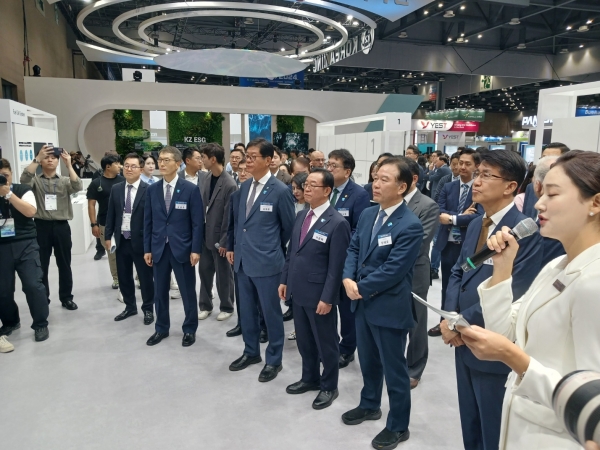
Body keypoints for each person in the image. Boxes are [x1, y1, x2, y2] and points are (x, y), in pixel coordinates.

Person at [455, 150, 600, 450]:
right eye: (541, 191)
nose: (539, 203)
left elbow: (592, 399)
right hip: (524, 425)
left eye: (553, 194)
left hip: (559, 436)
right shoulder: (556, 266)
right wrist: (502, 269)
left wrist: (514, 358)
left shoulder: (593, 282)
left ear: (595, 203)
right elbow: (505, 331)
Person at [441, 150, 543, 450]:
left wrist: (459, 324)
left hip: (491, 342)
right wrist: (449, 315)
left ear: (510, 186)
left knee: (492, 427)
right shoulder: (476, 223)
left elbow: (516, 291)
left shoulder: (524, 231)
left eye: (486, 175)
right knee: (469, 420)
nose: (476, 181)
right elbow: (459, 271)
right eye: (478, 174)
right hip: (462, 338)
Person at [341, 157, 424, 449]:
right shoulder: (368, 214)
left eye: (384, 179)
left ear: (402, 187)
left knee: (394, 369)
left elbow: (394, 270)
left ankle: (399, 425)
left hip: (388, 306)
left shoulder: (410, 225)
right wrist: (347, 278)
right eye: (375, 178)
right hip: (362, 302)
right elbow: (353, 249)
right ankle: (369, 404)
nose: (375, 184)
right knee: (368, 360)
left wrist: (359, 287)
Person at [279, 168, 351, 409]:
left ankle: (329, 386)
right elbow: (292, 252)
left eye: (312, 185)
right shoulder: (302, 215)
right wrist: (285, 280)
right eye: (305, 184)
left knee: (326, 343)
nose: (306, 189)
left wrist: (328, 298)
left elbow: (336, 267)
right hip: (298, 290)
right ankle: (309, 377)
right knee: (304, 340)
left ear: (327, 190)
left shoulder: (337, 223)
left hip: (320, 295)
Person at [226, 138, 295, 383]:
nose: (248, 161)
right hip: (242, 262)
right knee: (246, 311)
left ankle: (274, 360)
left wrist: (270, 248)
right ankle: (251, 351)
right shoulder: (243, 187)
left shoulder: (281, 191)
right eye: (247, 156)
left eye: (253, 157)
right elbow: (238, 224)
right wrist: (233, 247)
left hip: (267, 263)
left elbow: (288, 228)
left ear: (268, 160)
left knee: (270, 313)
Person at [143, 146, 205, 347]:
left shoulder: (190, 189)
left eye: (166, 160)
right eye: (160, 160)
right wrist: (147, 249)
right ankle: (161, 328)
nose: (161, 163)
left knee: (187, 292)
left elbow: (197, 223)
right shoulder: (152, 190)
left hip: (183, 248)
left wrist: (196, 249)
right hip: (159, 248)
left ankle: (189, 329)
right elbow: (148, 222)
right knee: (160, 292)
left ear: (178, 164)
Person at [21, 145, 82, 311]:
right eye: (46, 157)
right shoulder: (35, 181)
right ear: (41, 161)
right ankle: (43, 298)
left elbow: (78, 186)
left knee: (65, 264)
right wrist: (36, 158)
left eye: (53, 158)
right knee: (42, 265)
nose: (50, 160)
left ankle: (66, 297)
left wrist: (69, 165)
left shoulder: (64, 181)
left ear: (57, 161)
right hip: (41, 226)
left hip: (61, 227)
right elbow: (24, 179)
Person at [428, 148, 482, 337]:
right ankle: (444, 322)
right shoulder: (449, 186)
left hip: (469, 246)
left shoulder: (479, 188)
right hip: (448, 244)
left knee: (467, 286)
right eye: (460, 163)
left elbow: (478, 217)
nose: (462, 167)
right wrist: (461, 215)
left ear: (476, 166)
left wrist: (452, 218)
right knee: (447, 286)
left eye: (467, 163)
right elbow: (438, 211)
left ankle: (464, 324)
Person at [326, 149, 371, 369]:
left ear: (347, 171)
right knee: (326, 303)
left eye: (334, 166)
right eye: (328, 164)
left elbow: (358, 231)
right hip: (323, 258)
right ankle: (330, 344)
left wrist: (332, 241)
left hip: (345, 260)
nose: (329, 168)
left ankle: (347, 348)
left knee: (346, 308)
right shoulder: (326, 189)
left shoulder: (359, 194)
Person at [400, 157, 440, 390]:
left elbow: (419, 242)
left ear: (412, 179)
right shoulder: (387, 202)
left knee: (415, 323)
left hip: (415, 273)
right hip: (387, 273)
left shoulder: (427, 205)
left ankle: (414, 368)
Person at [0, 158, 50, 342]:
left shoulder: (23, 190)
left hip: (26, 243)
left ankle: (40, 323)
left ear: (11, 173)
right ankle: (10, 321)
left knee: (33, 285)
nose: (2, 179)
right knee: (3, 290)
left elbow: (30, 211)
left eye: (4, 175)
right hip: (1, 247)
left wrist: (8, 194)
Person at [104, 153, 154, 326]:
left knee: (145, 278)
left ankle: (148, 308)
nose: (129, 169)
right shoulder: (117, 189)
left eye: (133, 166)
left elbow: (153, 219)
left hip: (141, 242)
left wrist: (151, 244)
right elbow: (111, 214)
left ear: (141, 169)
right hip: (121, 241)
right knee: (124, 277)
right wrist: (108, 236)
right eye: (126, 165)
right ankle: (130, 306)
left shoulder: (149, 190)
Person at [198, 143, 237, 322]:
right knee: (204, 272)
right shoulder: (207, 177)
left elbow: (230, 217)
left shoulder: (229, 184)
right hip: (205, 235)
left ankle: (227, 306)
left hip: (220, 238)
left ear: (213, 159)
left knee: (224, 276)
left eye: (203, 157)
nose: (201, 160)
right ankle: (205, 305)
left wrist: (225, 242)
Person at [87, 153, 125, 289]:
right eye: (116, 163)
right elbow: (91, 205)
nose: (120, 166)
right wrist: (94, 224)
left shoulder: (123, 180)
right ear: (108, 167)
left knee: (128, 251)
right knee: (112, 252)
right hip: (105, 223)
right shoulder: (96, 183)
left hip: (124, 222)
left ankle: (135, 277)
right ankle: (117, 278)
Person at [522, 143, 570, 219]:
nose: (546, 162)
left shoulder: (569, 192)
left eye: (553, 158)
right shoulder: (531, 187)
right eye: (543, 158)